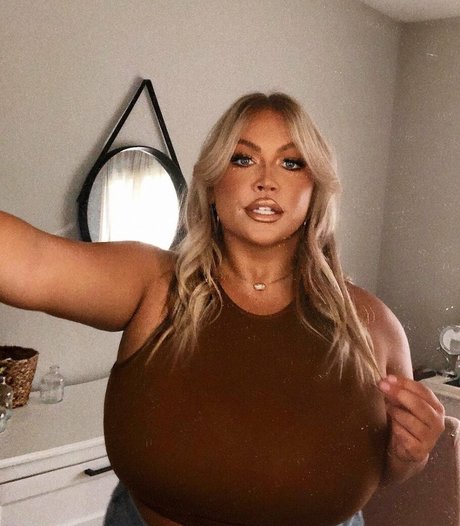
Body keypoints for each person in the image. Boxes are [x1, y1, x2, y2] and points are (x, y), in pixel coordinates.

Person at [0, 93, 445, 526]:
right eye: (243, 159)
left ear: (315, 189)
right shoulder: (153, 282)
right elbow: (31, 262)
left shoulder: (373, 324)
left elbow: (385, 470)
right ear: (213, 184)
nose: (266, 180)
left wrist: (409, 455)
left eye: (291, 163)